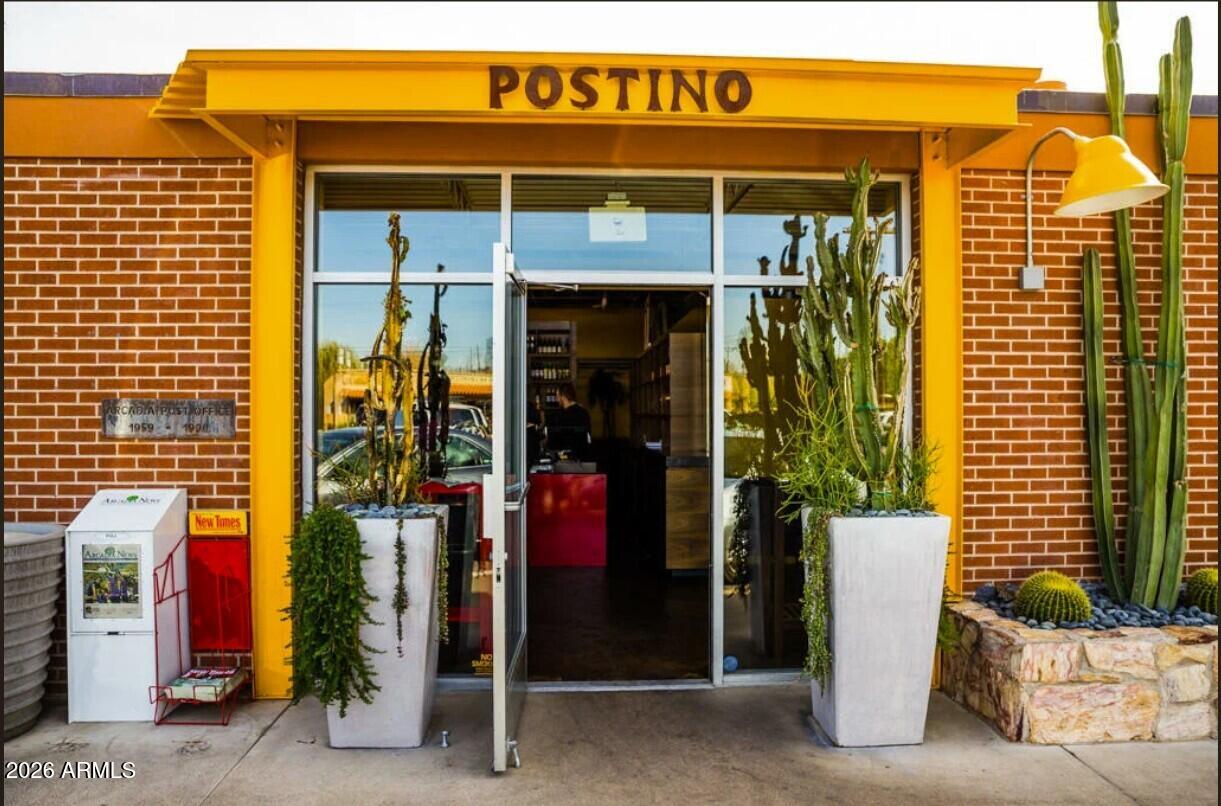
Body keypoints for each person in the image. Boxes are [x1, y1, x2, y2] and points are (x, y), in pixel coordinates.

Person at [547, 382, 592, 460]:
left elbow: (554, 440)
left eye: (557, 396)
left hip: (564, 459)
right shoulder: (583, 412)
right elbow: (588, 435)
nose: (557, 399)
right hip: (582, 458)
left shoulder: (560, 415)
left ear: (563, 397)